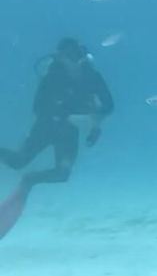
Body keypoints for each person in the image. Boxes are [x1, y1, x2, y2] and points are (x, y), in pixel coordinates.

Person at [0, 37, 113, 208]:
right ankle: (26, 178)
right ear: (60, 57)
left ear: (83, 55)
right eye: (69, 55)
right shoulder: (52, 76)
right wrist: (64, 117)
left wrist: (94, 123)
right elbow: (38, 107)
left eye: (77, 54)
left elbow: (109, 106)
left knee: (62, 174)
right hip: (45, 127)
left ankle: (29, 180)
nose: (74, 60)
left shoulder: (92, 76)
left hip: (69, 132)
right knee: (18, 162)